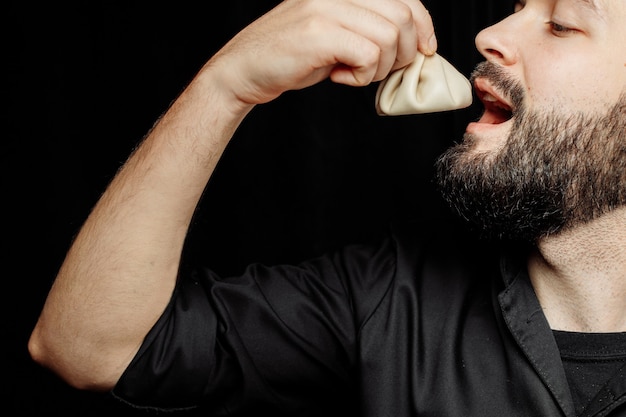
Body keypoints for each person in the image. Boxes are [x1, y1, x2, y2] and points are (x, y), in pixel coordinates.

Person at [28, 0, 625, 415]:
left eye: (562, 24)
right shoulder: (391, 298)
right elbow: (87, 349)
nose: (490, 34)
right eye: (518, 7)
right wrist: (226, 86)